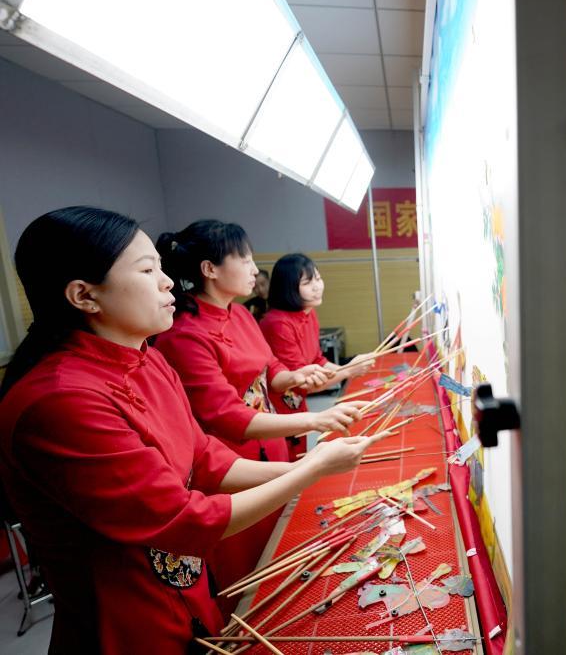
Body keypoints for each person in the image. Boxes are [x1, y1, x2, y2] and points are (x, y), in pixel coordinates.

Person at [0, 207, 376, 653]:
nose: (166, 282)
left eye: (161, 268)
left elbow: (202, 455)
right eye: (146, 270)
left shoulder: (146, 357)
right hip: (129, 622)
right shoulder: (60, 401)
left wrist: (308, 463)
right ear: (84, 295)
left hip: (188, 591)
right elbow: (182, 519)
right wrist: (310, 471)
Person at [155, 221, 366, 607]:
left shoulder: (239, 315)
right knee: (249, 581)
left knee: (281, 551)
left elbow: (271, 370)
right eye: (246, 258)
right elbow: (228, 416)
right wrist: (315, 419)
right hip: (232, 467)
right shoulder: (186, 334)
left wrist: (297, 375)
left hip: (270, 450)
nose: (255, 269)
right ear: (210, 269)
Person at [260, 254, 376, 456]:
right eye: (308, 282)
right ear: (288, 287)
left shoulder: (308, 312)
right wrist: (349, 370)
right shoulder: (277, 323)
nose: (317, 286)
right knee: (287, 465)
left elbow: (317, 361)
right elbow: (302, 380)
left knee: (299, 457)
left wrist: (350, 368)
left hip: (298, 404)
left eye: (318, 279)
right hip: (278, 409)